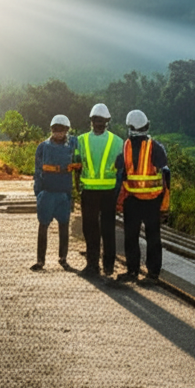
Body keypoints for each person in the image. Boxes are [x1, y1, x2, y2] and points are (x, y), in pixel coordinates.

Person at [113, 109, 170, 285]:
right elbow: (166, 174)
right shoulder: (156, 147)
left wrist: (118, 201)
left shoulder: (126, 147)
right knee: (153, 237)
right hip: (152, 201)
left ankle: (132, 271)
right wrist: (164, 206)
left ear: (130, 127)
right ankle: (152, 273)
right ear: (146, 126)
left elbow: (119, 169)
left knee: (131, 237)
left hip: (133, 201)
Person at [74, 104, 123, 278]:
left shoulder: (81, 140)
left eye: (99, 120)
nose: (98, 123)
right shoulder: (117, 142)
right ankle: (107, 267)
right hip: (108, 192)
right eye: (98, 120)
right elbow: (121, 170)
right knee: (107, 229)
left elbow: (77, 166)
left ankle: (93, 266)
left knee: (91, 228)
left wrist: (76, 186)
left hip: (91, 192)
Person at [31, 114, 80, 271]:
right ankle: (40, 261)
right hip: (47, 192)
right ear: (51, 130)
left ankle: (63, 258)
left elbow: (78, 163)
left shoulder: (73, 144)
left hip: (64, 193)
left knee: (64, 226)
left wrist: (73, 192)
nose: (58, 132)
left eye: (62, 130)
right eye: (55, 129)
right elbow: (37, 171)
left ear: (67, 130)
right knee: (43, 225)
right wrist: (38, 193)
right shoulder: (43, 148)